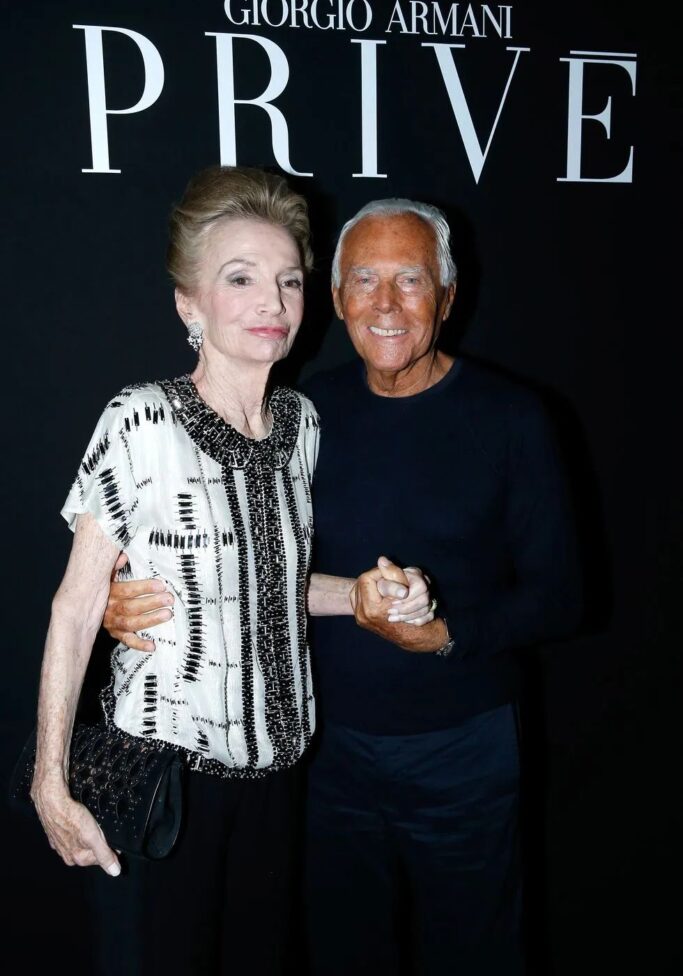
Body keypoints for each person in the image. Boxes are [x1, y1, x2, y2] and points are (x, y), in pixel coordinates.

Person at [103, 197, 581, 975]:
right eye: (362, 279)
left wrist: (450, 632)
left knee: (476, 954)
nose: (385, 305)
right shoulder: (301, 415)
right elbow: (244, 565)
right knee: (339, 954)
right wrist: (135, 600)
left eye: (410, 281)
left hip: (460, 753)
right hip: (322, 757)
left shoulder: (511, 418)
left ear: (448, 298)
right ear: (334, 299)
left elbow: (562, 595)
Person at [29, 168, 431, 976]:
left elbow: (273, 588)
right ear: (189, 304)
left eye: (287, 281)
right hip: (162, 780)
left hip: (277, 782)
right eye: (239, 280)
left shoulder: (301, 423)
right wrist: (50, 781)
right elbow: (75, 607)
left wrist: (360, 594)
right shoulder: (140, 419)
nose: (272, 304)